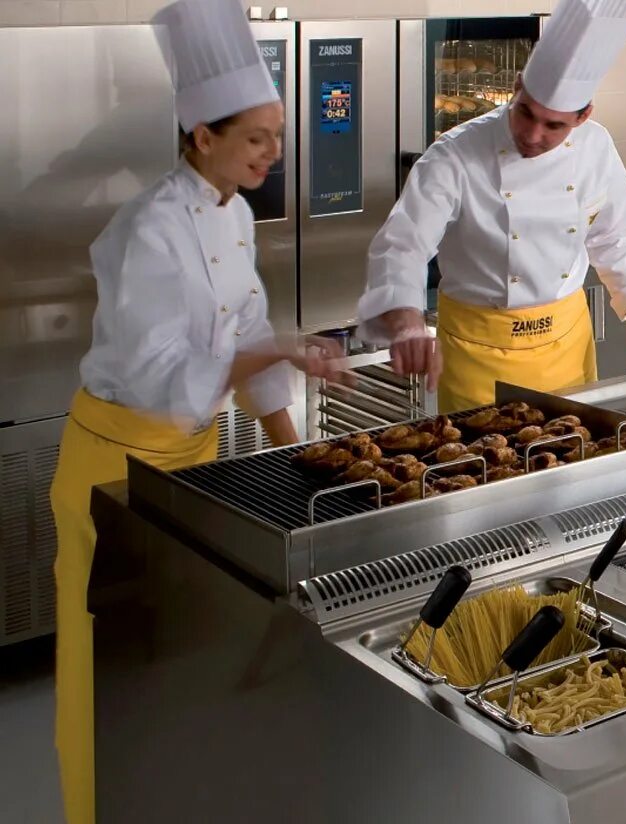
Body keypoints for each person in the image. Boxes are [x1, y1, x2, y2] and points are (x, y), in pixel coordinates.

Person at [48, 1, 348, 821]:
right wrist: (282, 349)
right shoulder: (146, 230)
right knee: (106, 664)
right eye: (256, 138)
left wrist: (297, 456)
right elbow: (162, 378)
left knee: (181, 658)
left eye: (277, 135)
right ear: (202, 136)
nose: (273, 153)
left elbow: (245, 335)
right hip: (114, 468)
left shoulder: (235, 215)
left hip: (192, 464)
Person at [359, 0, 626, 413]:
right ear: (517, 86)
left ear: (583, 116)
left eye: (554, 125)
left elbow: (613, 237)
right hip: (475, 354)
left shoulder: (596, 147)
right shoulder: (455, 154)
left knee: (573, 449)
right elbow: (403, 245)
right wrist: (406, 318)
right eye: (525, 113)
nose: (533, 135)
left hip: (566, 347)